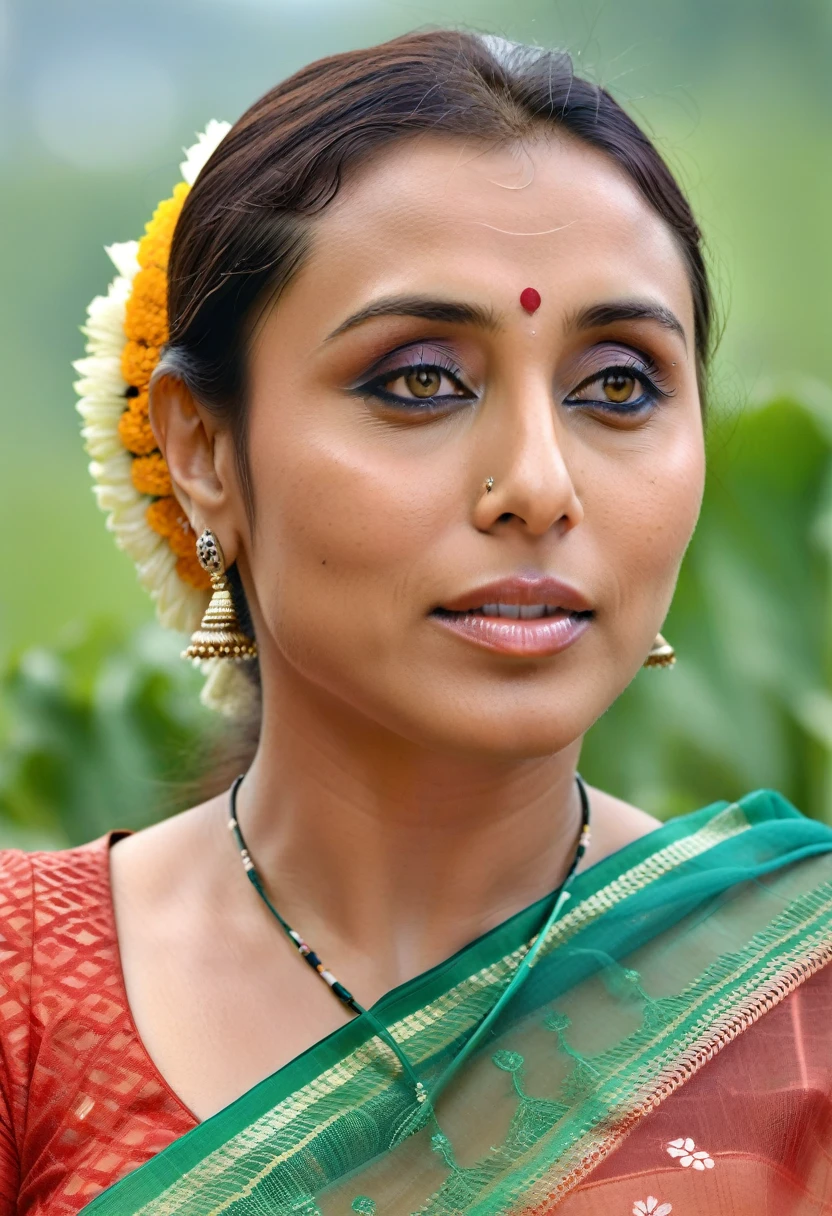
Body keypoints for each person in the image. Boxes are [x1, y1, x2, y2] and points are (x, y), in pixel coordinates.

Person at [1, 28, 831, 1216]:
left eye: (617, 384)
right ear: (202, 448)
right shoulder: (22, 1000)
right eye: (419, 380)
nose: (540, 484)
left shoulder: (799, 1000)